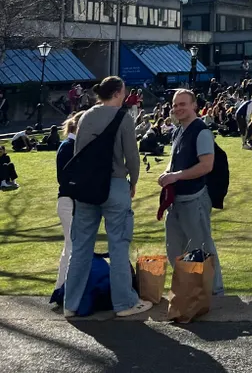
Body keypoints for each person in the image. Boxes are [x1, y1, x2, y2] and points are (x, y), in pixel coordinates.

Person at [63, 76, 151, 319]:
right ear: (117, 93)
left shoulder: (85, 116)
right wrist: (133, 181)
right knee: (118, 246)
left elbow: (79, 152)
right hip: (114, 184)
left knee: (80, 248)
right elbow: (132, 156)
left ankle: (71, 303)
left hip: (86, 187)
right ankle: (124, 303)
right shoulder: (123, 117)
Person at [158, 89, 223, 297]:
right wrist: (167, 173)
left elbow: (206, 165)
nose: (178, 108)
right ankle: (188, 290)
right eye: (175, 105)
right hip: (176, 201)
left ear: (194, 105)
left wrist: (176, 176)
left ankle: (215, 292)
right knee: (174, 249)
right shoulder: (178, 131)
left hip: (194, 199)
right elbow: (176, 161)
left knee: (202, 248)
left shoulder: (201, 131)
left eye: (182, 104)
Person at [52, 113, 83, 298]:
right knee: (72, 246)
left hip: (72, 201)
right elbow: (64, 178)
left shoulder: (74, 146)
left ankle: (63, 289)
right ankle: (64, 290)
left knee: (72, 246)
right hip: (69, 201)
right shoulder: (68, 147)